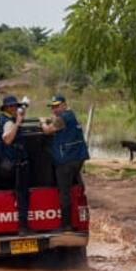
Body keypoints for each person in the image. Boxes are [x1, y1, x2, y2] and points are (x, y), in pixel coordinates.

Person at [41, 94, 89, 230]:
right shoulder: (70, 115)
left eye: (56, 106)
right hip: (76, 158)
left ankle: (65, 225)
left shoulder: (65, 118)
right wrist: (52, 119)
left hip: (66, 160)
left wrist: (43, 122)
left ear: (64, 105)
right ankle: (73, 220)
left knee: (64, 192)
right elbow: (58, 122)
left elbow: (47, 131)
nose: (54, 110)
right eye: (52, 107)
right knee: (73, 187)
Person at [0, 95, 31, 233]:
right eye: (11, 106)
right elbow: (7, 139)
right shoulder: (8, 122)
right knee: (22, 195)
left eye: (15, 106)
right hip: (16, 165)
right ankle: (23, 227)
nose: (14, 108)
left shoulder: (7, 118)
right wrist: (17, 123)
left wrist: (22, 108)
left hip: (12, 163)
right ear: (6, 108)